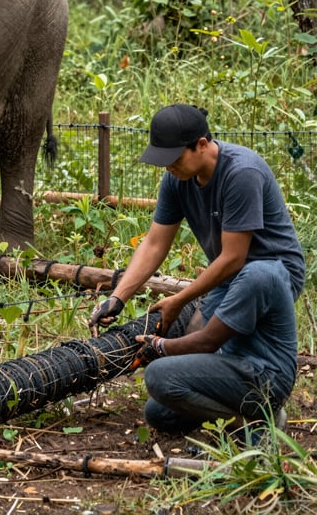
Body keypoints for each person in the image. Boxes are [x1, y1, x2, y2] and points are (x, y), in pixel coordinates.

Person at [88, 103, 303, 436]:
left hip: (270, 273)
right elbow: (155, 244)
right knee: (180, 378)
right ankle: (240, 403)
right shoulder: (178, 180)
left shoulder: (241, 172)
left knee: (219, 340)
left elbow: (234, 256)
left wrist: (178, 300)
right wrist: (117, 298)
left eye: (175, 158)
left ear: (202, 144)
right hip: (231, 273)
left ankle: (258, 415)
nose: (170, 167)